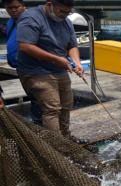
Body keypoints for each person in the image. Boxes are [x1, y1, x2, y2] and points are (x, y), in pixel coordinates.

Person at [16, 0, 84, 140]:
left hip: (59, 69)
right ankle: (57, 145)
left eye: (68, 12)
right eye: (62, 11)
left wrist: (77, 63)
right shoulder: (31, 17)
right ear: (49, 4)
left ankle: (66, 137)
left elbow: (72, 46)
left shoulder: (66, 21)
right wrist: (56, 59)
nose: (65, 15)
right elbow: (25, 46)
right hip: (35, 71)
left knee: (66, 104)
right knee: (52, 108)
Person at [4, 0, 42, 125]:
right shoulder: (10, 22)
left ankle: (39, 126)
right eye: (10, 7)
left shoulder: (30, 20)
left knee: (39, 98)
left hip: (34, 68)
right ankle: (37, 123)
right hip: (21, 68)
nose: (13, 10)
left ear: (23, 6)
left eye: (16, 7)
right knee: (33, 97)